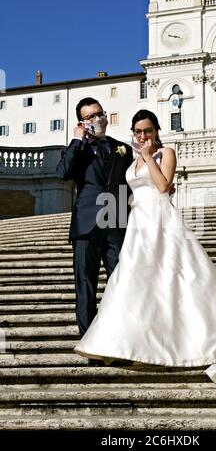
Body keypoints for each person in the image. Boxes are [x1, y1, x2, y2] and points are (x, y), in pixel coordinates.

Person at [74, 109, 216, 388]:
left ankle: (196, 342)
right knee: (135, 285)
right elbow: (127, 192)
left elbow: (163, 186)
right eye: (138, 131)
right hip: (137, 225)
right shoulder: (130, 161)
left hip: (162, 220)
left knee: (180, 279)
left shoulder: (165, 153)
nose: (142, 135)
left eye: (147, 130)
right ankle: (133, 344)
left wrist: (147, 157)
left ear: (156, 131)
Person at [56, 97, 133, 364]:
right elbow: (63, 173)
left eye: (98, 114)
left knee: (120, 285)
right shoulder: (77, 149)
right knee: (85, 285)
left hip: (116, 221)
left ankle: (119, 343)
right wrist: (77, 140)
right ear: (81, 122)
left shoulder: (122, 148)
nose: (95, 119)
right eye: (89, 116)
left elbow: (130, 183)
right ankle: (91, 346)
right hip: (87, 222)